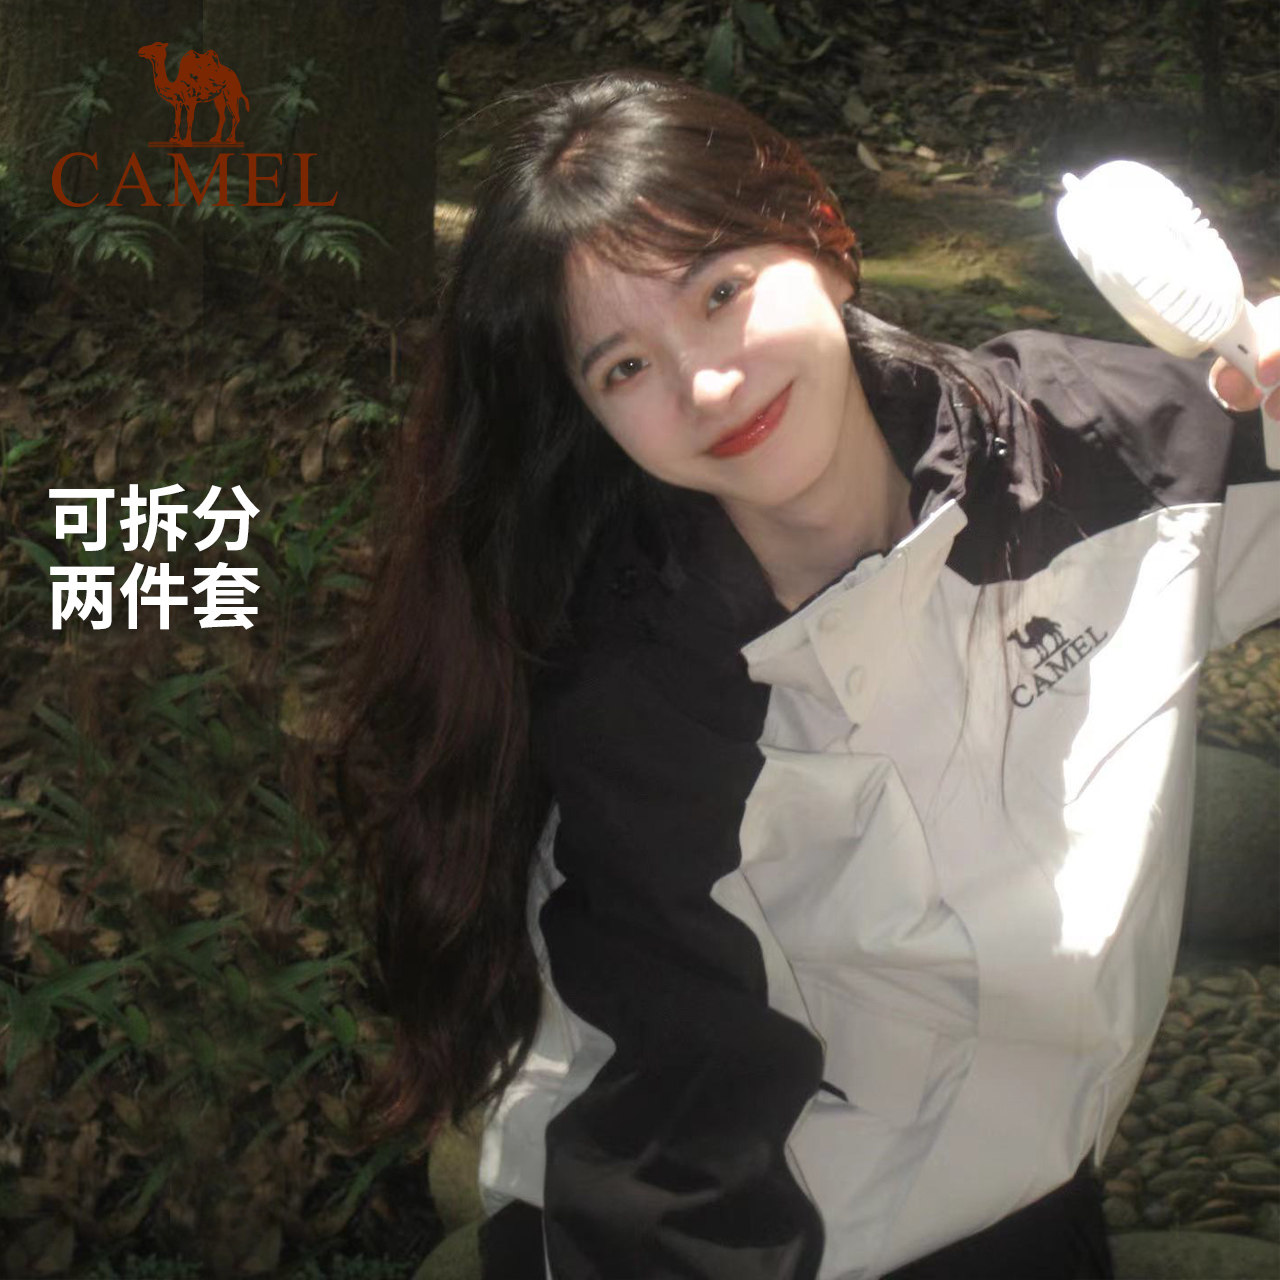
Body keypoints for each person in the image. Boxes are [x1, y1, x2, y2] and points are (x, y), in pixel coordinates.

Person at [337, 70, 1280, 1280]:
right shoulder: (648, 707)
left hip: (1032, 1197)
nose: (705, 383)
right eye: (623, 367)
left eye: (719, 292)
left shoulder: (1091, 456)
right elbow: (661, 1159)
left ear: (823, 242)